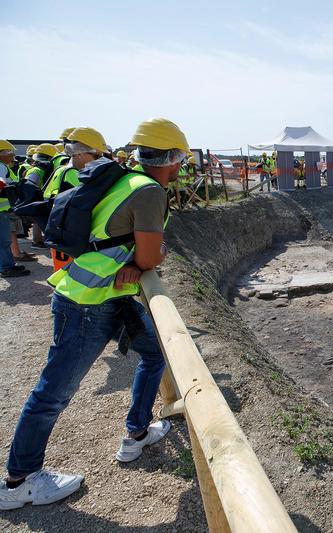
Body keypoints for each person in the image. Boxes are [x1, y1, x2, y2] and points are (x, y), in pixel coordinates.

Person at [0, 118, 190, 510]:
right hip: (88, 304)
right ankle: (19, 482)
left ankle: (136, 434)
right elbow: (151, 256)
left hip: (104, 296)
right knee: (53, 392)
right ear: (171, 158)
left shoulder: (125, 179)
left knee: (155, 354)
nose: (179, 168)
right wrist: (153, 257)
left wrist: (138, 261)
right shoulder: (150, 191)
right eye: (180, 160)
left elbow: (126, 246)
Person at [0, 140, 31, 278]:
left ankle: (7, 265)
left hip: (3, 211)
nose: (13, 155)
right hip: (1, 212)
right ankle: (6, 267)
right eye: (10, 152)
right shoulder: (1, 166)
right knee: (3, 241)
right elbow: (2, 183)